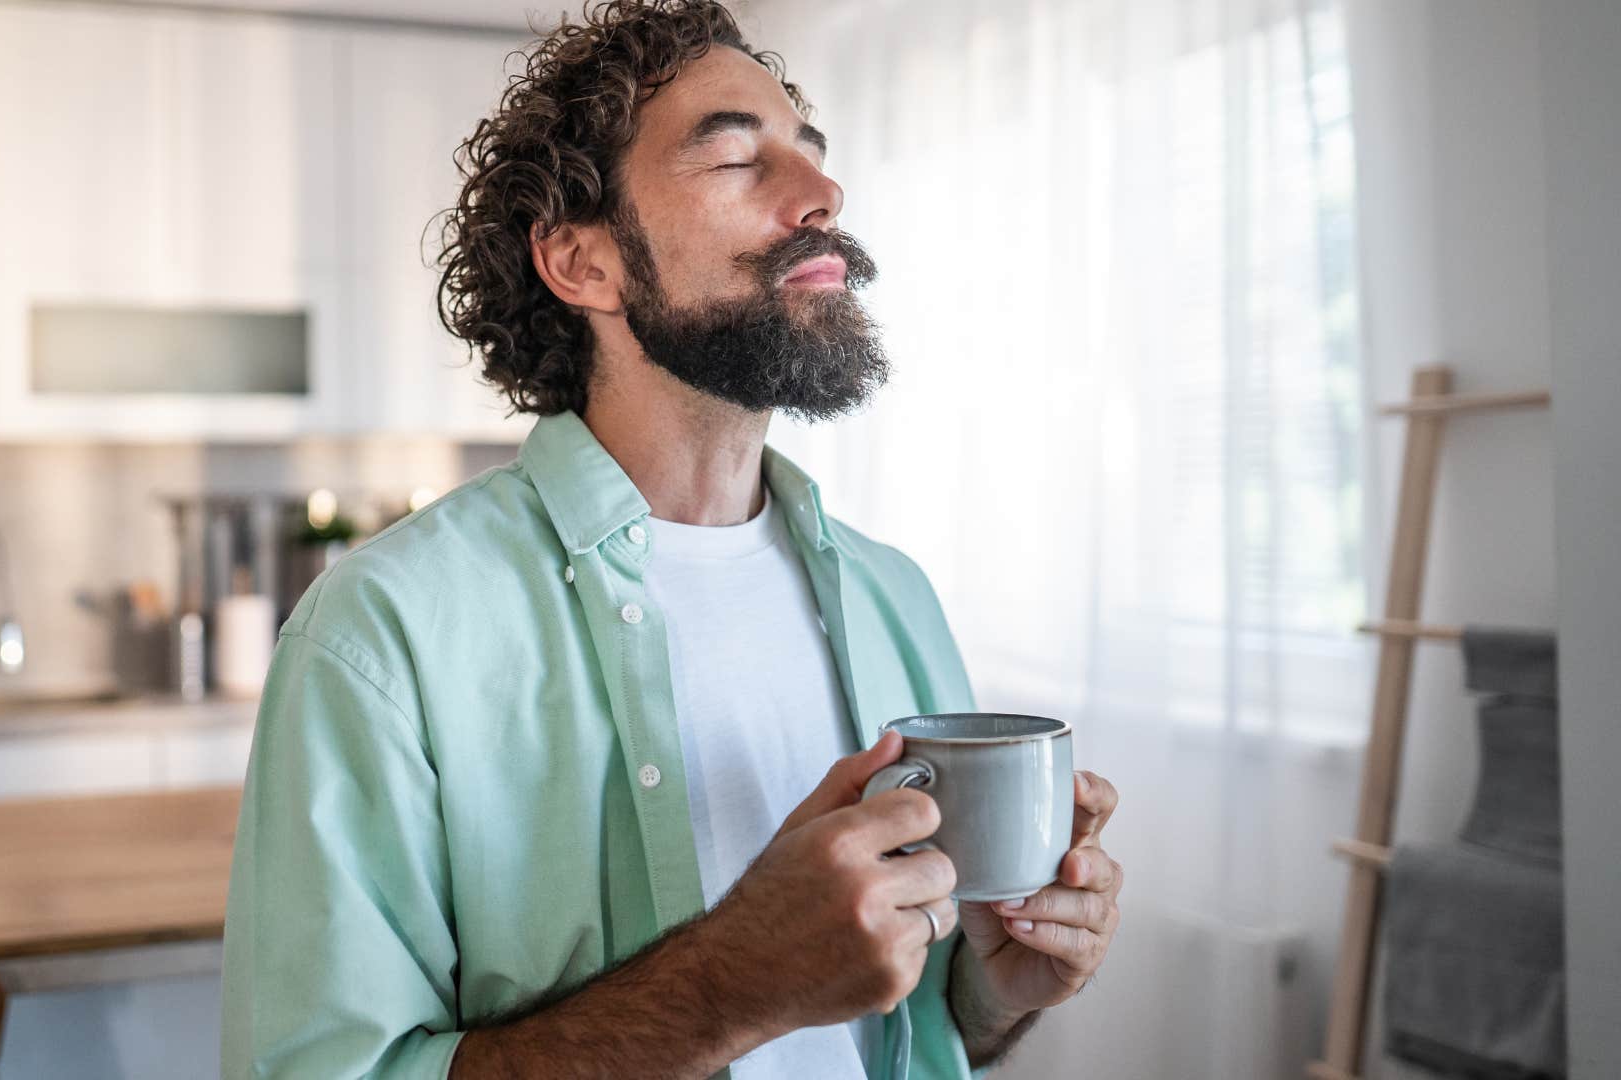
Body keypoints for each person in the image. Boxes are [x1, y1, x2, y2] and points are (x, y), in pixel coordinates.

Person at [220, 2, 1124, 1076]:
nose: (822, 197)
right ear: (583, 263)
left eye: (814, 157)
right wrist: (731, 986)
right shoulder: (385, 634)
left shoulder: (895, 598)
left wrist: (997, 991)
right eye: (740, 157)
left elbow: (904, 1033)